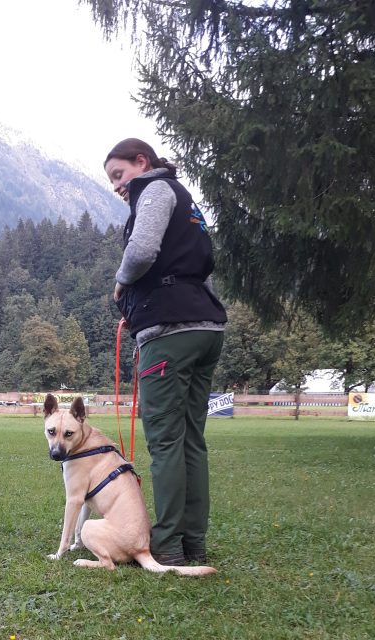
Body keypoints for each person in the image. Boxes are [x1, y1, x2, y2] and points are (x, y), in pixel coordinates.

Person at [104, 138, 227, 567]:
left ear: (142, 162)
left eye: (119, 175)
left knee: (166, 441)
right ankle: (194, 542)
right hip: (206, 329)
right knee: (193, 440)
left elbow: (140, 252)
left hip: (168, 337)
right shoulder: (187, 201)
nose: (118, 187)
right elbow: (202, 273)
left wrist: (122, 284)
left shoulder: (154, 190)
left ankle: (170, 545)